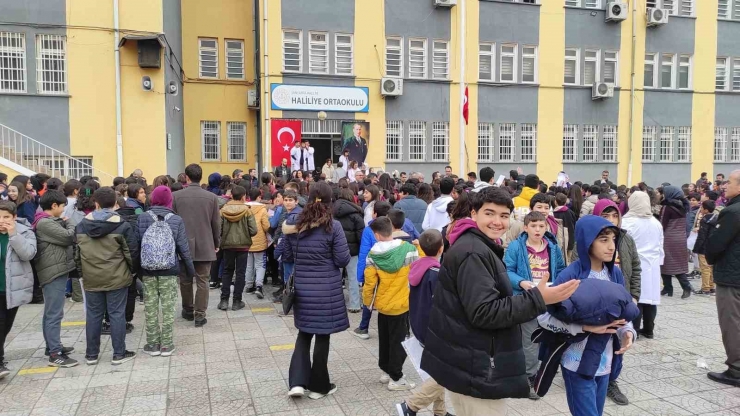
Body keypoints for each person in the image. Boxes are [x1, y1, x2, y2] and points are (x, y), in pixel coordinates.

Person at [420, 187, 579, 414]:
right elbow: (485, 311)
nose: (497, 222)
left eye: (504, 216)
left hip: (468, 359)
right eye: (489, 213)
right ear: (474, 214)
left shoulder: (477, 244)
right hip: (475, 366)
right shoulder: (473, 252)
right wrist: (538, 298)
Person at [536, 216, 637, 416]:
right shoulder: (571, 275)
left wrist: (628, 331)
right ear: (586, 241)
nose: (611, 246)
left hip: (605, 361)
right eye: (603, 239)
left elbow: (622, 308)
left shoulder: (615, 274)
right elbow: (544, 318)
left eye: (613, 239)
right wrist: (584, 328)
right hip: (576, 361)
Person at [283, 182, 350, 399]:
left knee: (304, 333)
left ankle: (297, 383)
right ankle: (320, 386)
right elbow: (342, 259)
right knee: (322, 336)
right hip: (327, 288)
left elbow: (286, 254)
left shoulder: (295, 224)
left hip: (302, 286)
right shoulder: (334, 226)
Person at [503, 211, 565, 400]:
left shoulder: (553, 247)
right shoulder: (516, 247)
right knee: (529, 339)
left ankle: (545, 369)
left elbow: (561, 269)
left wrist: (559, 286)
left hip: (549, 297)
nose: (537, 230)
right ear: (526, 228)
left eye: (541, 226)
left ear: (546, 227)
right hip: (527, 298)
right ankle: (530, 376)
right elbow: (507, 270)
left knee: (550, 335)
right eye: (533, 226)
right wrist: (521, 282)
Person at [76, 187, 139, 365]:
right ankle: (119, 353)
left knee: (94, 315)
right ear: (115, 203)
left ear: (96, 203)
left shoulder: (81, 225)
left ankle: (91, 355)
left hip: (91, 277)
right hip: (117, 276)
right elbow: (131, 252)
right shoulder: (122, 225)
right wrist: (131, 271)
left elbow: (77, 254)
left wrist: (82, 273)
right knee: (117, 314)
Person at [395, 229, 451, 416]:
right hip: (434, 328)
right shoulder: (436, 273)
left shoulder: (417, 267)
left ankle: (440, 411)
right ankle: (410, 405)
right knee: (445, 373)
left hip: (418, 322)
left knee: (438, 369)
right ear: (442, 248)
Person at [592, 199, 642, 406]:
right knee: (596, 340)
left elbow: (636, 268)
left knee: (619, 341)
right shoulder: (588, 240)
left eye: (615, 216)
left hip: (623, 298)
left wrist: (635, 295)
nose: (612, 220)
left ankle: (612, 380)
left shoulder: (626, 239)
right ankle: (587, 375)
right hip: (597, 302)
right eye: (606, 216)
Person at [137, 186, 195, 357]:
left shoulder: (142, 218)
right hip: (169, 269)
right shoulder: (176, 220)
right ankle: (167, 345)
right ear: (170, 200)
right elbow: (183, 248)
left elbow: (137, 245)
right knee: (168, 308)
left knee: (151, 307)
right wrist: (190, 270)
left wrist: (136, 270)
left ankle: (153, 344)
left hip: (147, 270)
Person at [363, 217, 419, 391]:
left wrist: (367, 303)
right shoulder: (409, 250)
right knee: (400, 341)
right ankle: (396, 377)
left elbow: (369, 283)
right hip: (402, 303)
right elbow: (416, 275)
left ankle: (386, 370)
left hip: (384, 304)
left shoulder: (372, 254)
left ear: (377, 235)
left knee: (385, 339)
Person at [33, 190, 77, 367]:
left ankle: (52, 345)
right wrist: (71, 223)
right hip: (52, 272)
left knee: (52, 312)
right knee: (54, 313)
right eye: (63, 207)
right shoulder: (44, 223)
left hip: (56, 269)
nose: (64, 210)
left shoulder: (46, 220)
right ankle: (55, 354)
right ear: (54, 206)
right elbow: (68, 237)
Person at [172, 164, 221, 327]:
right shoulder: (211, 197)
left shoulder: (176, 196)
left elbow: (172, 222)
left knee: (185, 280)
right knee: (203, 281)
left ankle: (187, 309)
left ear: (186, 177)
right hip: (205, 242)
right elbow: (216, 223)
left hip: (182, 243)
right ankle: (200, 314)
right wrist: (216, 242)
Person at [705, 170, 740, 387]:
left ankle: (736, 368)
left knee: (732, 321)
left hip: (732, 277)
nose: (724, 185)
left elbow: (716, 245)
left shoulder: (733, 212)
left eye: (729, 182)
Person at [0, 201, 37, 378]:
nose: (2, 220)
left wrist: (13, 234)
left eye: (6, 217)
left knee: (6, 325)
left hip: (13, 288)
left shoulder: (25, 232)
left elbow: (28, 254)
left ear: (14, 217)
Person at [622, 191, 664, 340]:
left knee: (636, 295)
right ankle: (649, 329)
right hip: (652, 265)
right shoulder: (656, 223)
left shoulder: (627, 222)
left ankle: (635, 329)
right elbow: (660, 245)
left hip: (635, 263)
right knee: (650, 299)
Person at [216, 185, 257, 311]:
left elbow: (219, 229)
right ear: (244, 196)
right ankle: (237, 301)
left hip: (227, 245)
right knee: (240, 273)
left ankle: (224, 301)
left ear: (231, 195)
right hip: (243, 245)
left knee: (227, 271)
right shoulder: (247, 210)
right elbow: (254, 230)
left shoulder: (223, 210)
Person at [332, 189, 365, 312]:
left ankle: (335, 304)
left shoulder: (331, 212)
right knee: (353, 278)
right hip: (353, 251)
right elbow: (360, 235)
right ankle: (355, 305)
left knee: (335, 278)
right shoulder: (356, 214)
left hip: (335, 250)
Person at [658, 186, 692, 299]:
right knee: (677, 264)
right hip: (681, 239)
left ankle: (678, 287)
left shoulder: (667, 207)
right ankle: (670, 288)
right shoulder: (683, 206)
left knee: (666, 263)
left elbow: (662, 225)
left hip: (668, 239)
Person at [245, 187, 270, 299]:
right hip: (259, 240)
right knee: (260, 264)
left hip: (246, 240)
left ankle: (249, 285)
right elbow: (266, 226)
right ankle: (259, 286)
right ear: (259, 197)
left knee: (249, 264)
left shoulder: (244, 208)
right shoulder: (262, 209)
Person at [693, 200, 717, 295]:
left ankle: (705, 288)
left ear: (706, 210)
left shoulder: (705, 220)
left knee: (705, 268)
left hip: (704, 248)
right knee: (711, 267)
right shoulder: (717, 218)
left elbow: (702, 236)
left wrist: (696, 248)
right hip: (713, 247)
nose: (701, 209)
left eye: (702, 208)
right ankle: (712, 287)